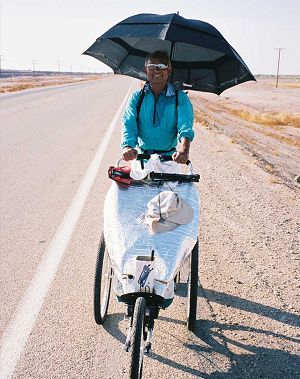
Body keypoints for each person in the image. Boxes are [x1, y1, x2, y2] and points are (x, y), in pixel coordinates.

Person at [121, 50, 194, 164]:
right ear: (146, 70)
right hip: (141, 159)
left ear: (169, 70)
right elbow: (129, 123)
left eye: (161, 66)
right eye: (151, 66)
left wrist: (184, 150)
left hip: (169, 160)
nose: (156, 70)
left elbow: (185, 125)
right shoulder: (137, 97)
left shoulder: (180, 98)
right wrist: (127, 147)